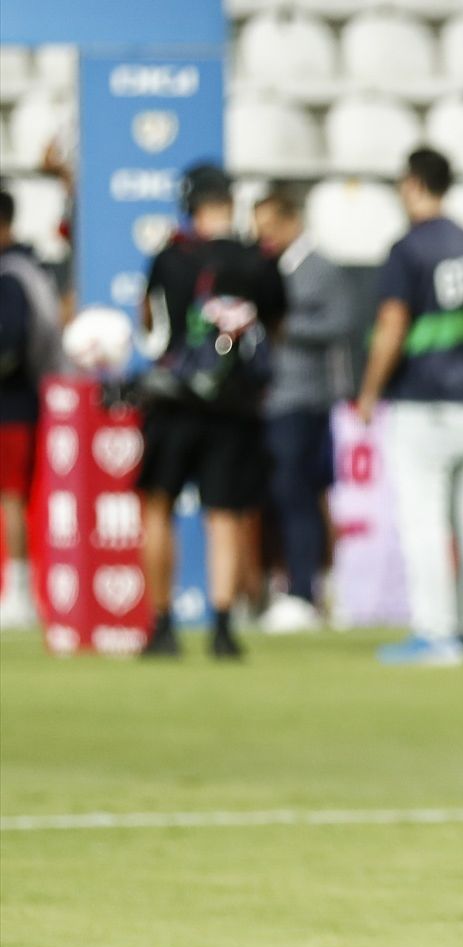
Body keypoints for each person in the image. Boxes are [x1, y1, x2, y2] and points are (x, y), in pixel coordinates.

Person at [355, 148, 463, 665]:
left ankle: (435, 635)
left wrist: (369, 391)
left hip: (422, 402)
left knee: (424, 523)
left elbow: (392, 327)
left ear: (413, 183)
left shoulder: (409, 249)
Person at [137, 164, 287, 659]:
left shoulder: (169, 259)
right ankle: (223, 625)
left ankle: (163, 625)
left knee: (158, 505)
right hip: (235, 406)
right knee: (223, 514)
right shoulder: (256, 260)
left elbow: (151, 323)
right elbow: (276, 324)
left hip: (174, 402)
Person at [252, 188, 354, 634]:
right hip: (274, 397)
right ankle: (289, 586)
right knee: (282, 497)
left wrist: (287, 326)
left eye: (270, 225)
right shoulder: (270, 266)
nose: (264, 235)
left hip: (303, 398)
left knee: (300, 496)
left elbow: (342, 322)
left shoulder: (319, 268)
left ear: (292, 220)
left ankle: (303, 592)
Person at [0, 187, 62, 629]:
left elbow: (10, 347)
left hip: (12, 402)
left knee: (10, 497)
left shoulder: (11, 276)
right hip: (18, 400)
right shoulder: (23, 271)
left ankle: (18, 593)